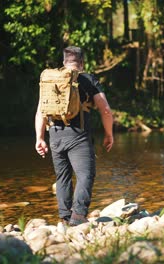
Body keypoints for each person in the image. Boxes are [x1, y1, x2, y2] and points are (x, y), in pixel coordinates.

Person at [34, 46, 114, 226]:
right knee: (86, 175)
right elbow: (106, 110)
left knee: (62, 177)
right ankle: (78, 215)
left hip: (54, 135)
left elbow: (41, 111)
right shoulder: (88, 79)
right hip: (78, 136)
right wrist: (109, 134)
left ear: (64, 62)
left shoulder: (51, 80)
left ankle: (64, 217)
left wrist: (39, 138)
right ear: (82, 63)